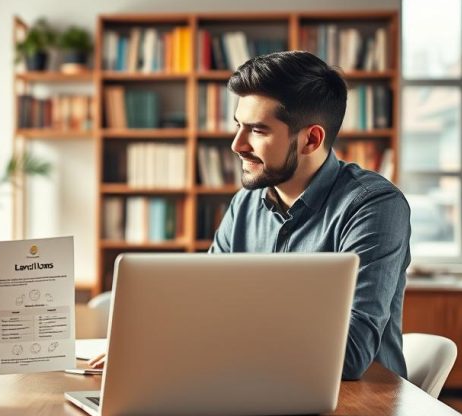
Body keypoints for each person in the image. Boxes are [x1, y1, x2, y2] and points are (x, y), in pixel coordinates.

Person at [92, 51, 410, 380]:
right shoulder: (245, 203)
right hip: (252, 387)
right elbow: (205, 308)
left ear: (311, 140)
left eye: (257, 130)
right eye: (238, 126)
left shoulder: (373, 206)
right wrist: (149, 344)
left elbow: (350, 354)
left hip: (360, 410)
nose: (237, 145)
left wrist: (224, 328)